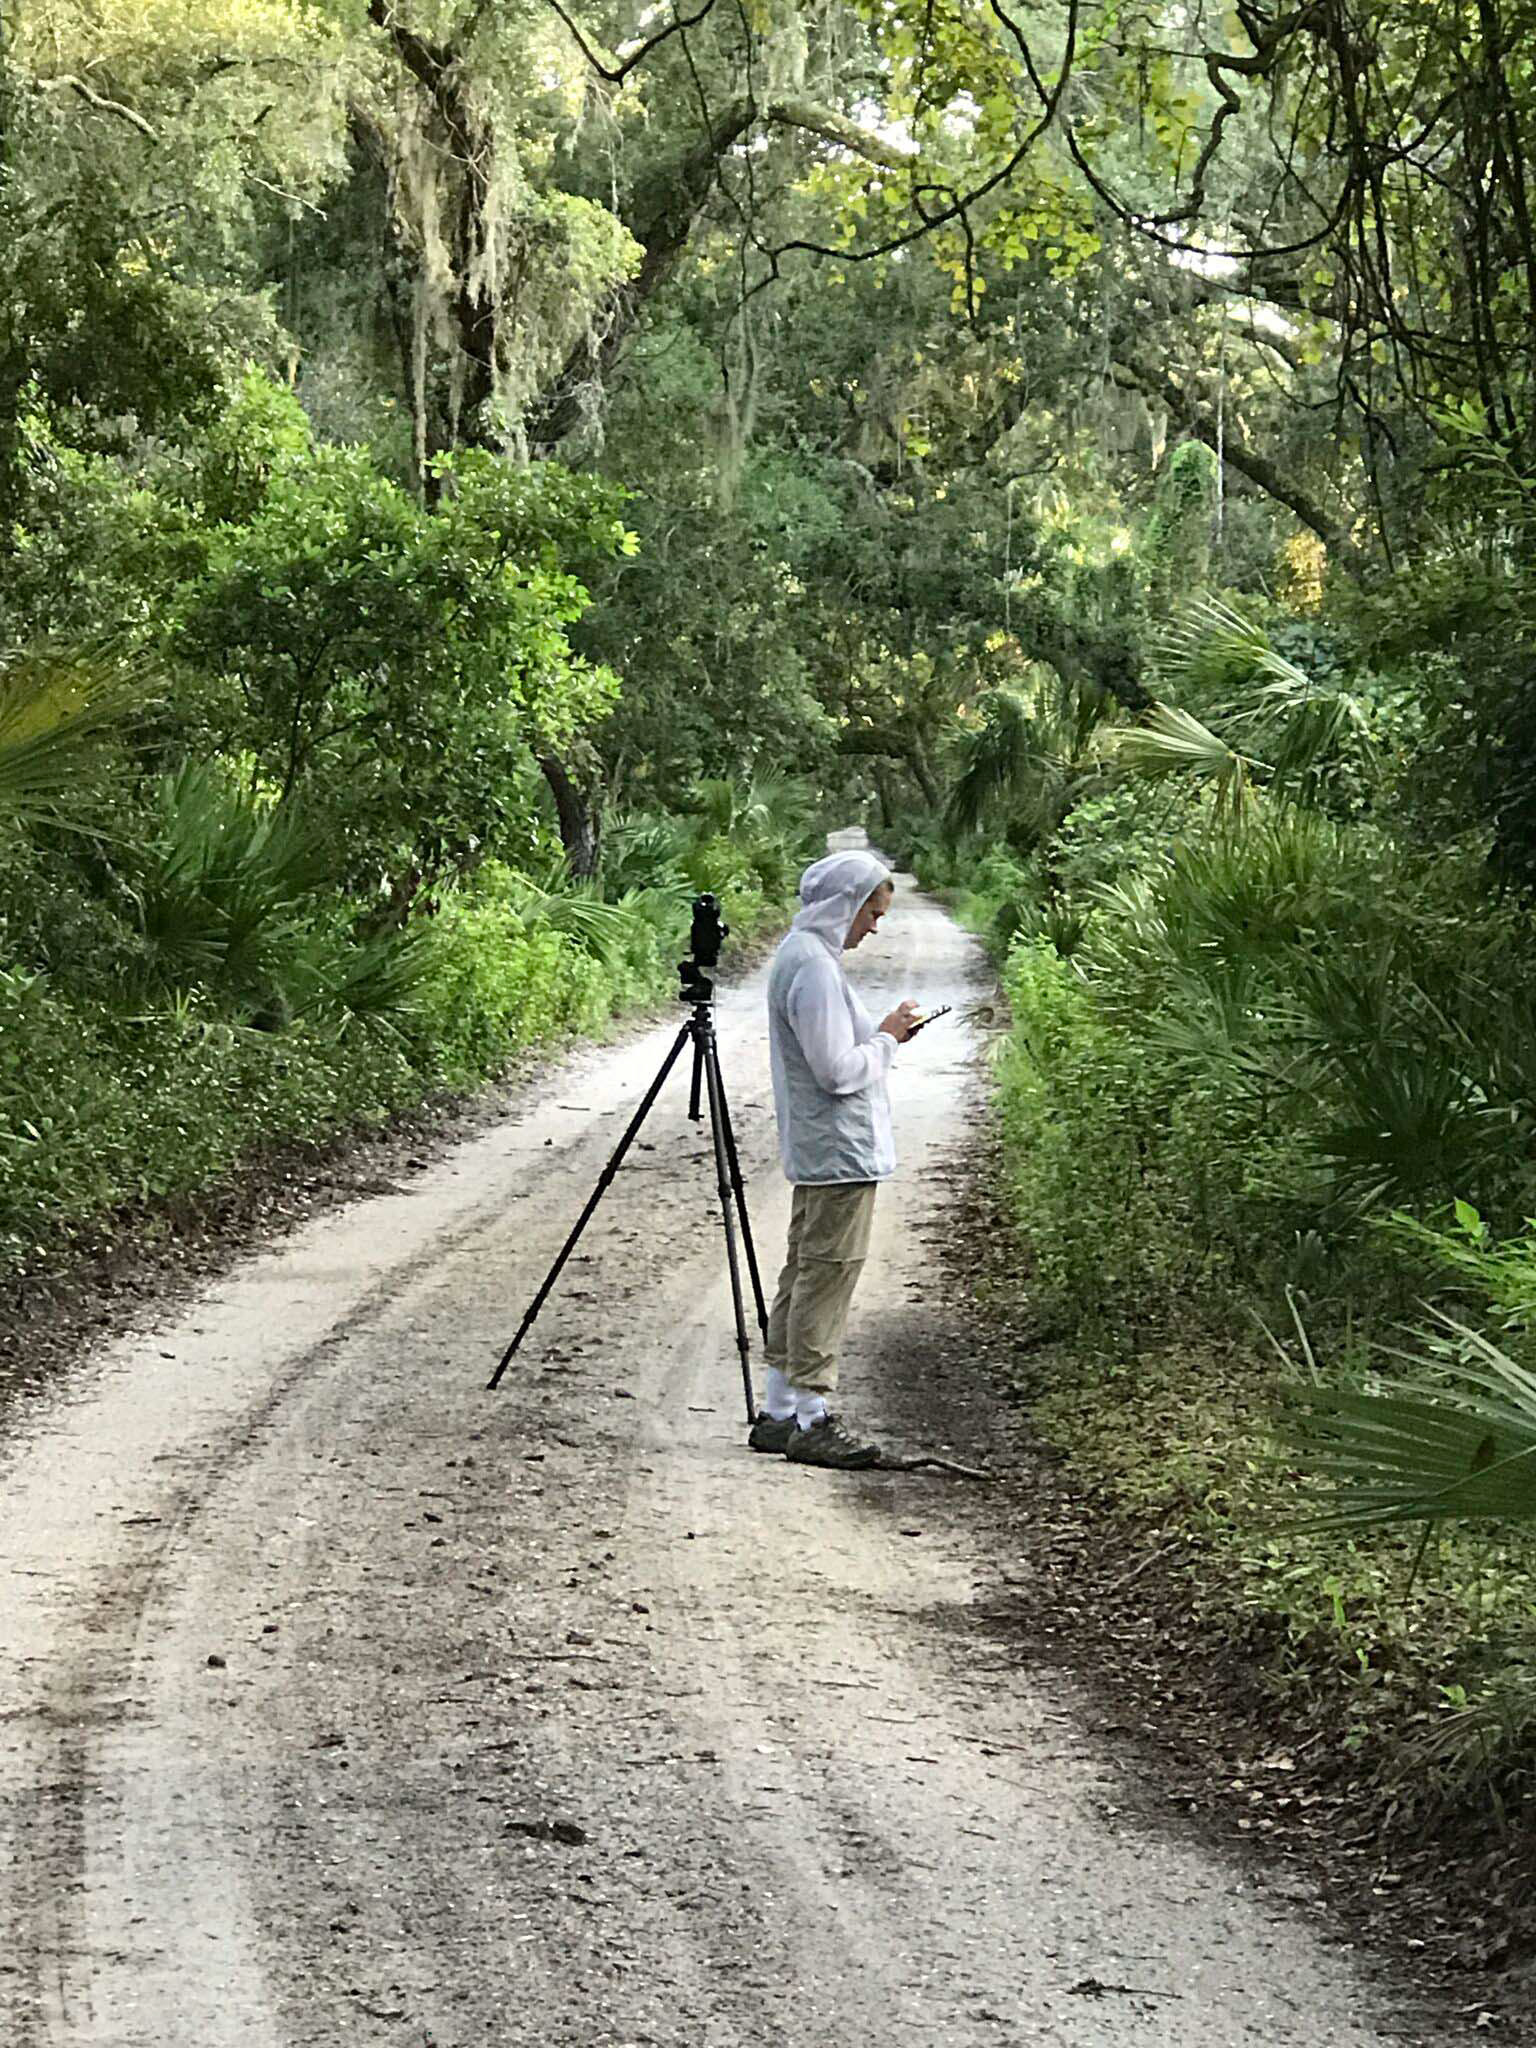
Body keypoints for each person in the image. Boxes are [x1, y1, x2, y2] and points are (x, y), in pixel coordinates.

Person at [749, 849, 919, 1469]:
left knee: (804, 1273)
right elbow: (837, 1071)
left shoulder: (803, 957)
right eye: (870, 913)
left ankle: (778, 1410)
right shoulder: (814, 967)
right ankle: (813, 1418)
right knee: (828, 1277)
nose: (872, 927)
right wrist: (888, 1040)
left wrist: (875, 1036)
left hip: (824, 1151)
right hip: (840, 1153)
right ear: (844, 904)